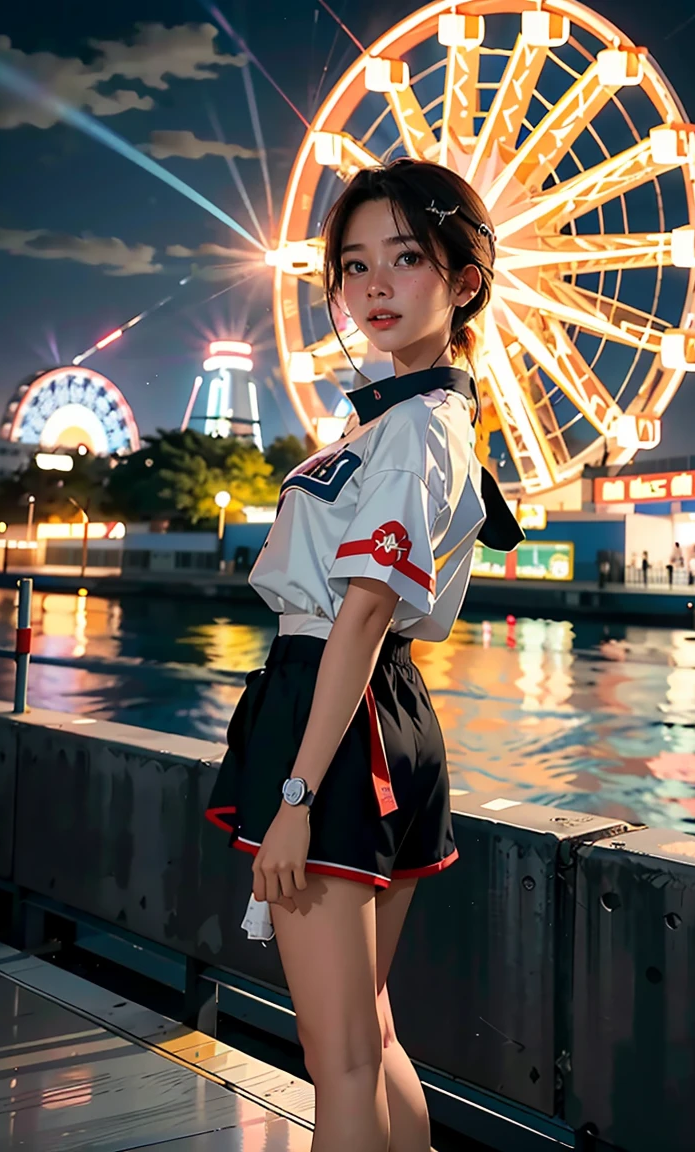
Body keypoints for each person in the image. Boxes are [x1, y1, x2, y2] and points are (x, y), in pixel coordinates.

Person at [205, 158, 522, 1152]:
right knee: (367, 1033)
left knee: (334, 1054)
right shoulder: (414, 421)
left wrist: (297, 798)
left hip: (337, 722)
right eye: (353, 265)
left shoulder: (415, 431)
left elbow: (362, 612)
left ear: (464, 280)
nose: (374, 285)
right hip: (386, 718)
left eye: (408, 257)